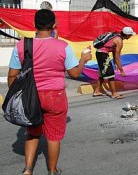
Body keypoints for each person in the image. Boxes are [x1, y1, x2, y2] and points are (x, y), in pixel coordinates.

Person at [7, 9, 92, 175]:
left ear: (34, 25)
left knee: (32, 133)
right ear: (54, 25)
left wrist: (18, 95)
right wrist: (83, 59)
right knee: (53, 136)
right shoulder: (63, 47)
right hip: (55, 97)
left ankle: (27, 170)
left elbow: (12, 76)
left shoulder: (22, 45)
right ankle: (52, 171)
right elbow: (74, 73)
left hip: (30, 97)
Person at [93, 27, 136, 99]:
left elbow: (114, 51)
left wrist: (115, 63)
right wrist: (121, 71)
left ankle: (97, 91)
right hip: (103, 54)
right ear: (127, 35)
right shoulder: (119, 41)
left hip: (100, 53)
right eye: (130, 35)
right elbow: (117, 57)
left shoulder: (116, 36)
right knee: (110, 74)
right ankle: (114, 93)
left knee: (102, 73)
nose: (131, 36)